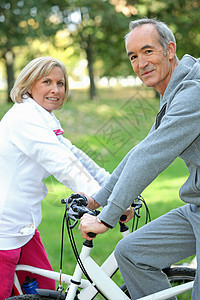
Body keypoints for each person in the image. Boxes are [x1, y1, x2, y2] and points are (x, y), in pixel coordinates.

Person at [79, 18, 200, 299]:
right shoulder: (176, 90)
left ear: (170, 50)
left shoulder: (193, 93)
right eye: (133, 56)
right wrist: (99, 199)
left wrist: (106, 219)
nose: (140, 62)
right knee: (131, 253)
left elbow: (151, 156)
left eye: (148, 51)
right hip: (196, 208)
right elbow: (143, 148)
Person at [0, 56, 111, 299]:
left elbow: (73, 154)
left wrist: (112, 185)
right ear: (29, 85)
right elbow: (62, 163)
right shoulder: (23, 119)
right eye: (47, 81)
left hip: (24, 229)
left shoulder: (42, 117)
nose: (56, 89)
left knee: (47, 292)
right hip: (4, 233)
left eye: (61, 83)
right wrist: (104, 199)